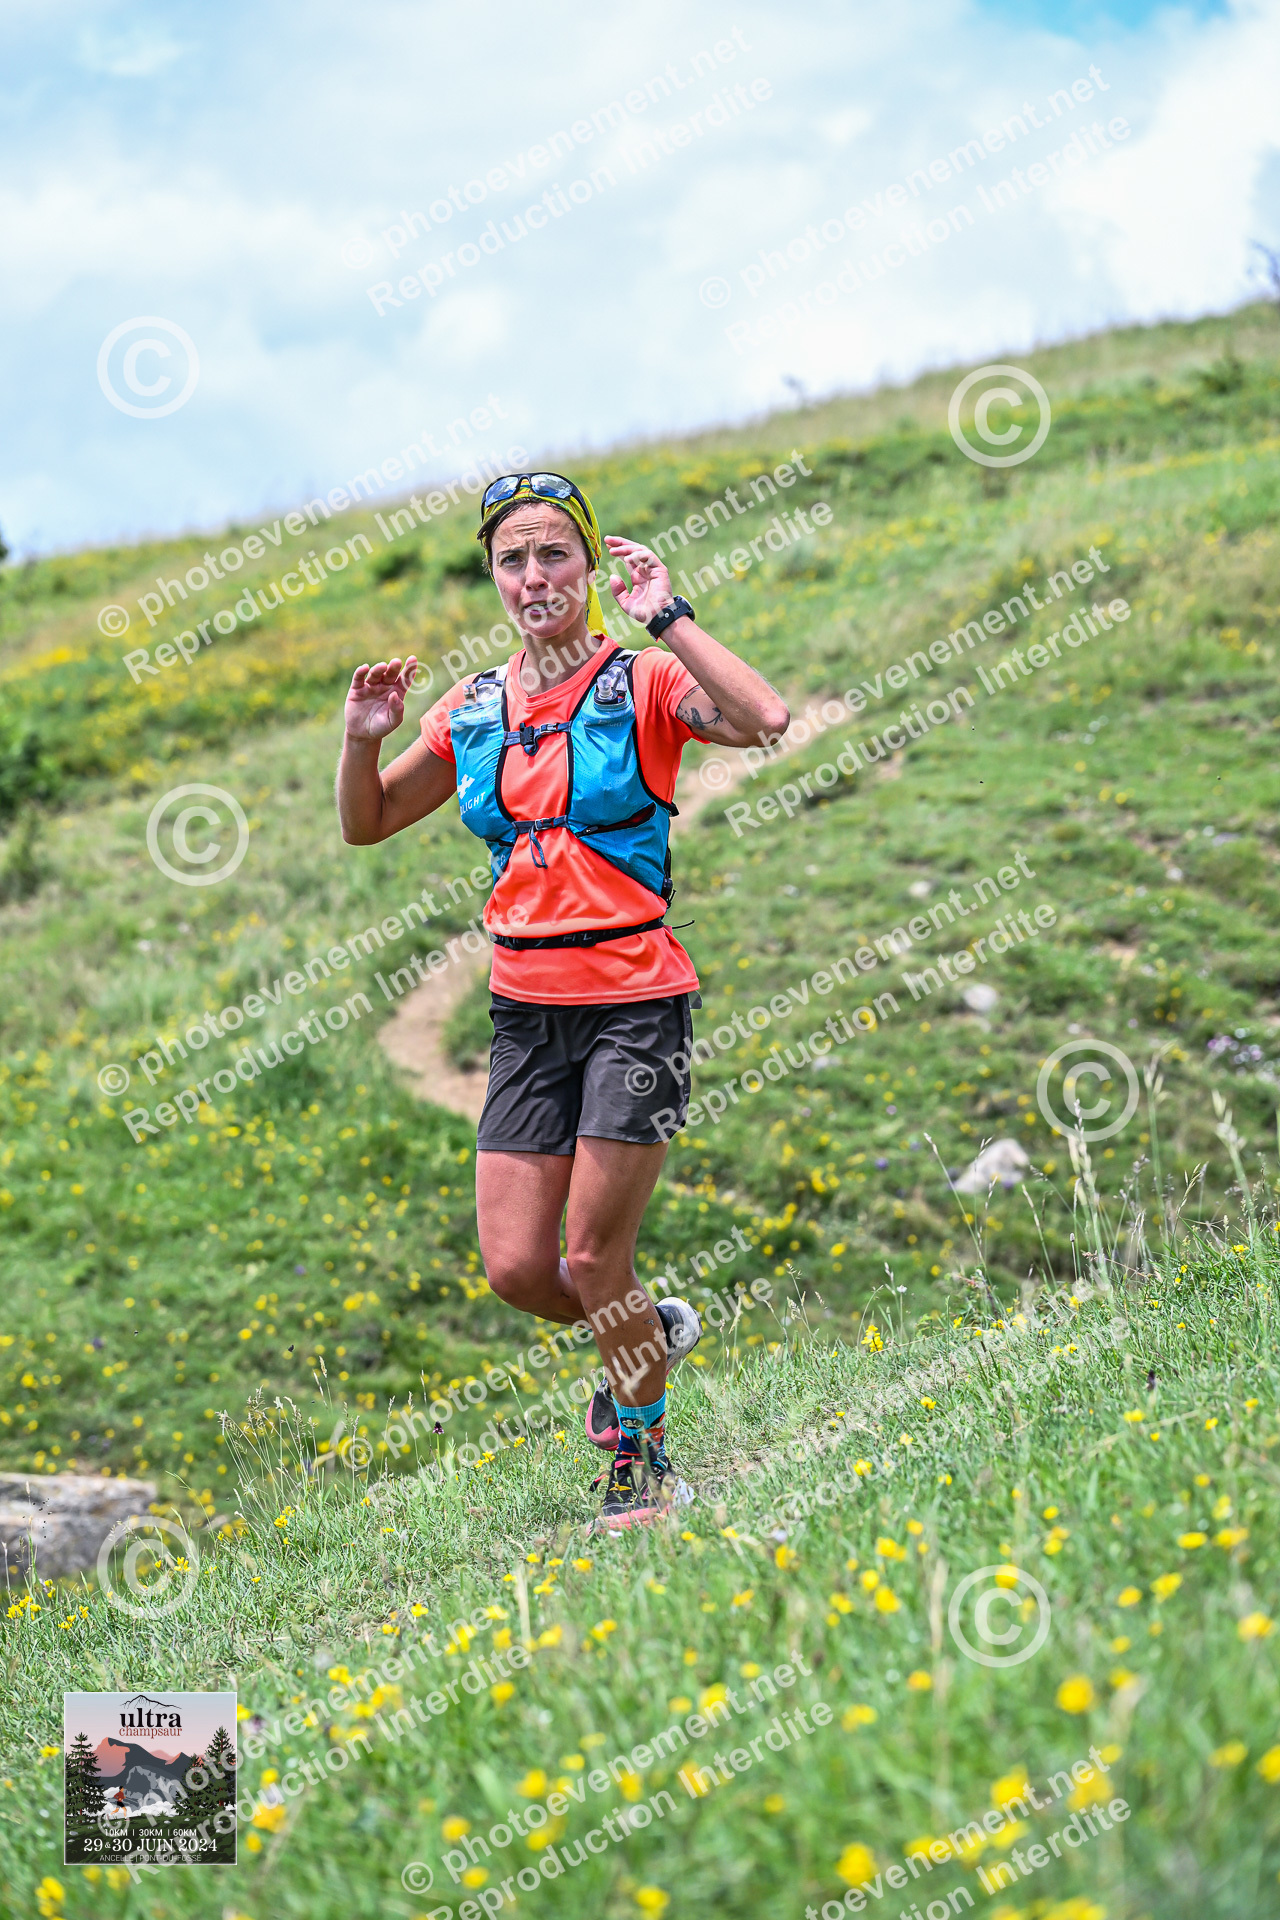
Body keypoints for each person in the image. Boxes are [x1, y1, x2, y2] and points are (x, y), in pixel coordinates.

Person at [335, 472, 788, 1527]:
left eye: (553, 554)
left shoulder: (643, 682)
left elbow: (764, 717)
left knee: (592, 1257)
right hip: (524, 1017)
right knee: (516, 1269)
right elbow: (367, 822)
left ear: (587, 565)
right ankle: (646, 1332)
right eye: (512, 560)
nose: (533, 576)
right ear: (493, 578)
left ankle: (643, 1459)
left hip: (636, 1004)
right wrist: (362, 735)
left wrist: (667, 617)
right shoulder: (471, 708)